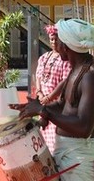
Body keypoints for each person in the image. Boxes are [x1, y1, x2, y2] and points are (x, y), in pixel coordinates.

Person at [10, 19, 94, 181]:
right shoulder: (78, 69)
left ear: (66, 45)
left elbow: (84, 128)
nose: (55, 44)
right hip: (68, 152)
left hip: (79, 156)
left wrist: (44, 111)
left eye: (59, 39)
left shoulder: (91, 75)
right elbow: (64, 105)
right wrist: (37, 108)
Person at [34, 24, 72, 152]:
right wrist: (39, 93)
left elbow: (65, 82)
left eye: (57, 39)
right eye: (51, 39)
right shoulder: (44, 57)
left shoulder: (66, 60)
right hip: (43, 103)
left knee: (55, 139)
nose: (54, 42)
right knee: (43, 135)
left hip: (57, 105)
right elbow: (38, 76)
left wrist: (50, 97)